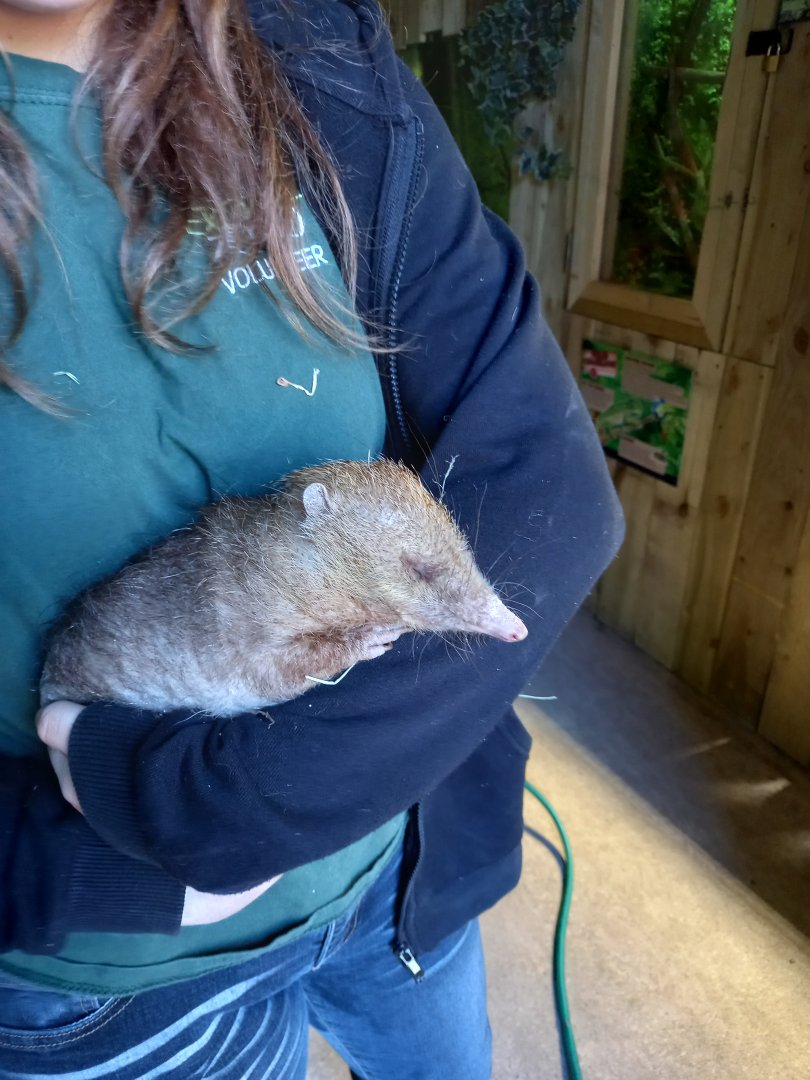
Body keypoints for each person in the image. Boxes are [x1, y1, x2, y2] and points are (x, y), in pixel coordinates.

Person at [0, 0, 624, 1076]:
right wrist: (99, 868)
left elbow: (554, 484)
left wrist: (235, 811)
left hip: (393, 874)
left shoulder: (309, 39)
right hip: (120, 980)